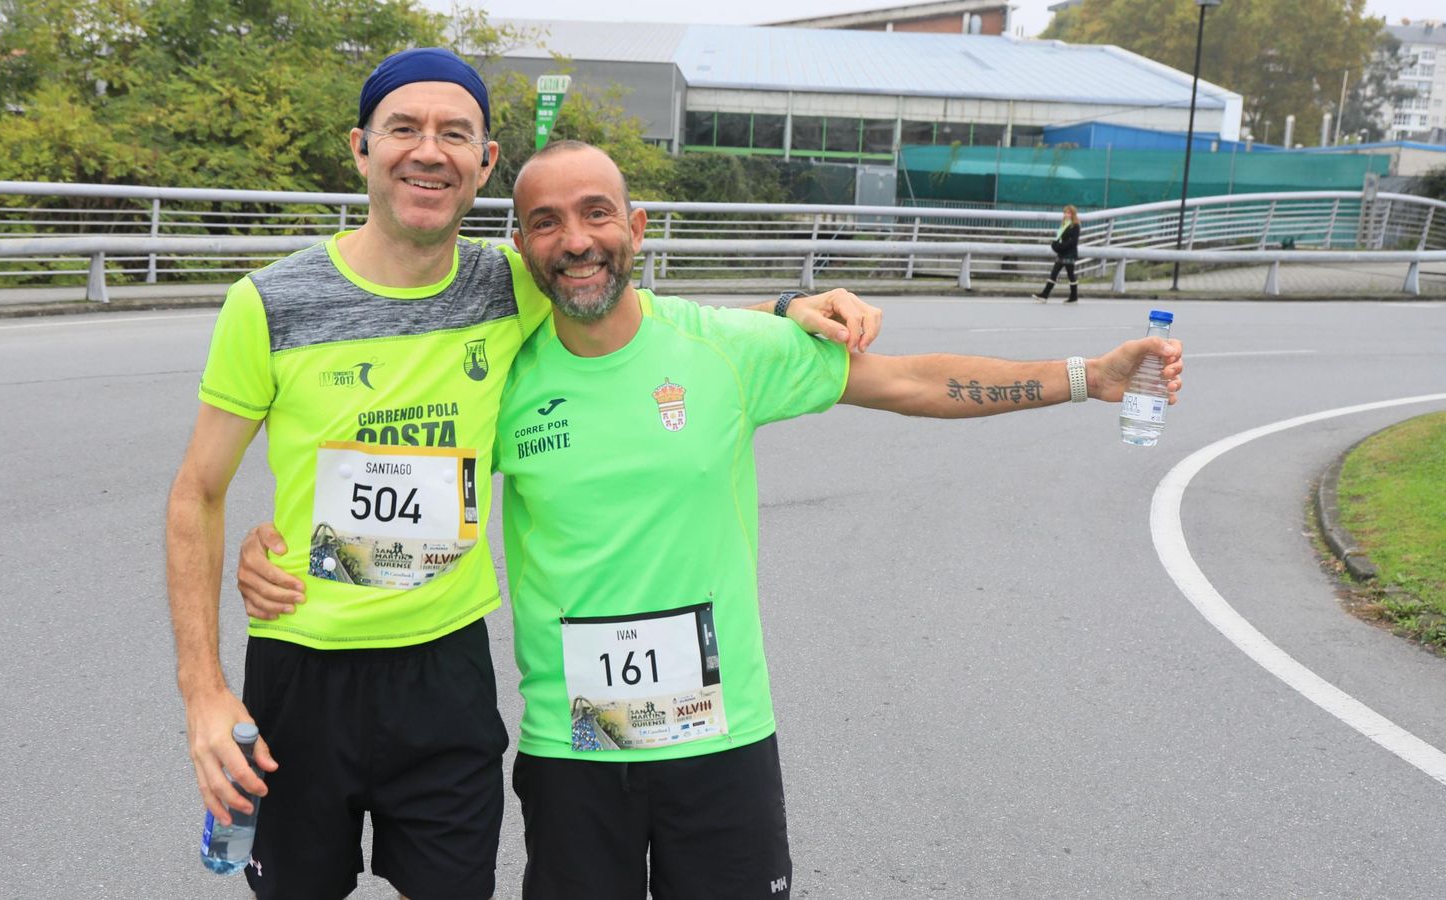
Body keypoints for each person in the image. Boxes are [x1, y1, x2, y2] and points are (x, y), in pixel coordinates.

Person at [236, 141, 1186, 899]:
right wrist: (273, 552)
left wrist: (1084, 378)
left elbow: (907, 381)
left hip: (721, 743)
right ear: (520, 250)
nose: (575, 239)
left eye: (596, 214)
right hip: (577, 751)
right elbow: (386, 471)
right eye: (546, 222)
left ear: (636, 227)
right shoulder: (500, 372)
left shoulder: (727, 349)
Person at [165, 49, 879, 900]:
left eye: (454, 133)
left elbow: (622, 291)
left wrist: (782, 309)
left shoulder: (513, 281)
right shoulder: (271, 303)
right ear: (361, 148)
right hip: (300, 671)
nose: (429, 150)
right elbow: (196, 494)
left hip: (445, 675)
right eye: (404, 128)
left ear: (484, 163)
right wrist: (204, 692)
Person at [1033, 204, 1081, 303]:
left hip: (1069, 254)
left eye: (1068, 213)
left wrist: (1061, 247)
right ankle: (1044, 295)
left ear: (1073, 214)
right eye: (1065, 212)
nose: (1066, 214)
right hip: (1062, 253)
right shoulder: (1064, 224)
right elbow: (1059, 238)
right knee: (1054, 273)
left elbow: (1073, 241)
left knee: (1070, 274)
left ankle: (1074, 297)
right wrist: (1055, 245)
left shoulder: (1075, 226)